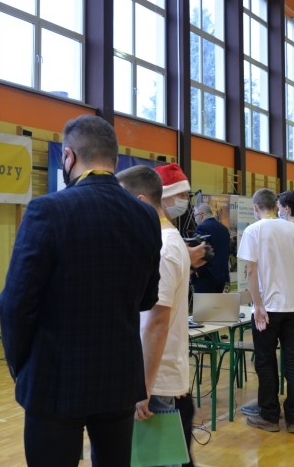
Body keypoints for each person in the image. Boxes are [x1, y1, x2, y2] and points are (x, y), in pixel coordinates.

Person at [0, 115, 162, 467]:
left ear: (68, 157)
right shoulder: (146, 216)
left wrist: (20, 364)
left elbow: (15, 304)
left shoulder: (47, 210)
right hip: (119, 377)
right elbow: (148, 299)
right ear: (114, 160)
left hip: (54, 378)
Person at [118, 163, 192, 467]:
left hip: (154, 381)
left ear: (139, 202)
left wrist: (143, 387)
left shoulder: (163, 248)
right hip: (154, 374)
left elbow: (156, 322)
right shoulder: (163, 240)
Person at [237, 188, 294, 434]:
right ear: (276, 206)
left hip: (268, 308)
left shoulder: (253, 230)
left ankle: (269, 415)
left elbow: (251, 271)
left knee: (266, 361)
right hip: (293, 307)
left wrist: (258, 305)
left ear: (256, 208)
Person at [191, 203, 230, 293]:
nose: (195, 219)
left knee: (203, 303)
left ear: (201, 215)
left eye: (195, 215)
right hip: (221, 277)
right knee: (217, 302)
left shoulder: (201, 228)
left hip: (205, 278)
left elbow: (196, 253)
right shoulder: (224, 229)